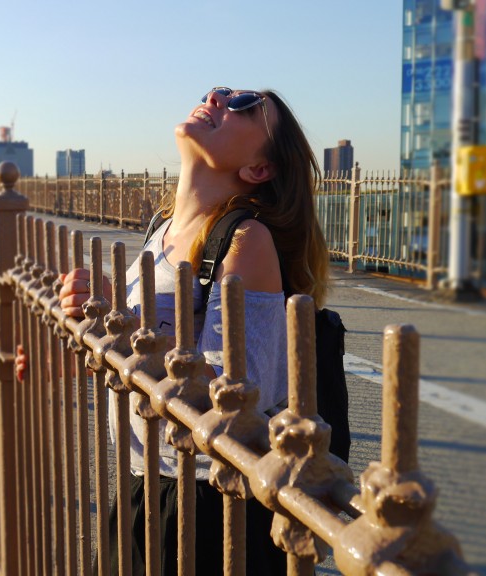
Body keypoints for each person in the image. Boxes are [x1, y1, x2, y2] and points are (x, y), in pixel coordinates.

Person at [16, 87, 329, 575]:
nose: (217, 97)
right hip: (147, 484)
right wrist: (64, 353)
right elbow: (137, 357)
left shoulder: (246, 242)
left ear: (259, 169)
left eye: (243, 104)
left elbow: (237, 396)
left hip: (209, 502)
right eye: (217, 92)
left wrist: (122, 311)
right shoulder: (159, 233)